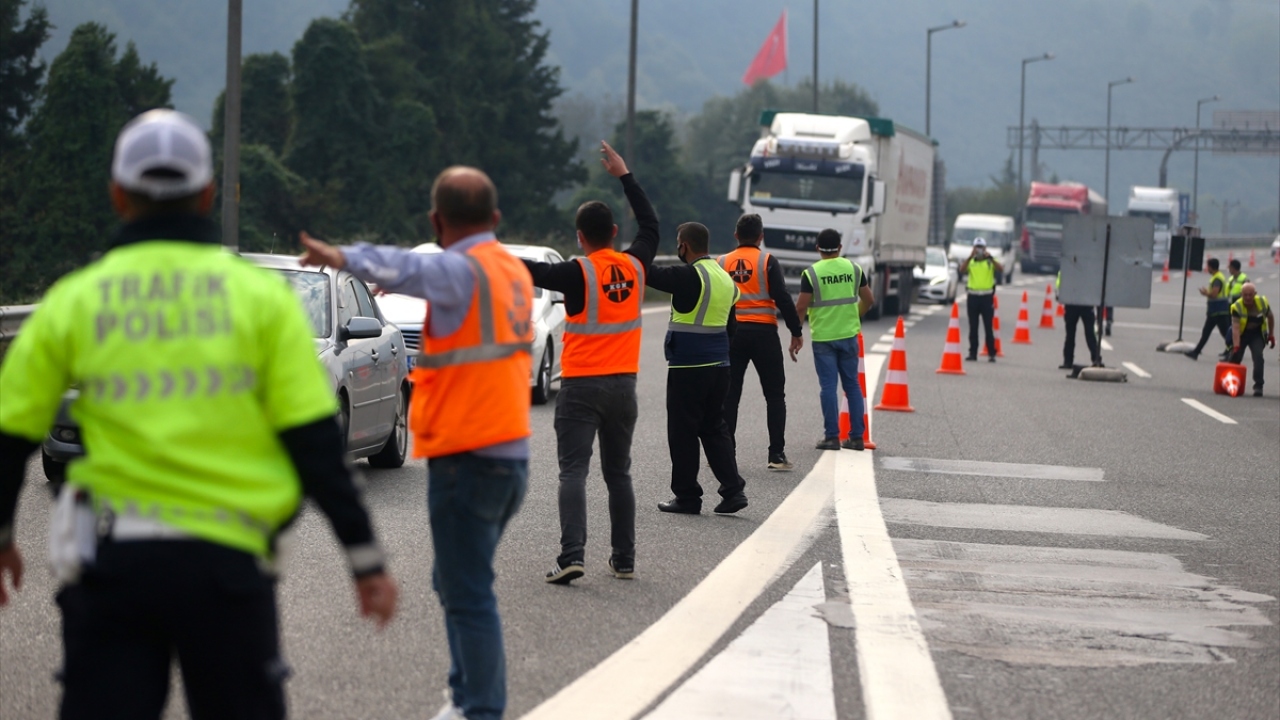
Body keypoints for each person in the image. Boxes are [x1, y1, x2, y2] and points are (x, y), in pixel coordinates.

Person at [0, 110, 397, 720]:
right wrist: (364, 558)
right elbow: (316, 442)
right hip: (227, 571)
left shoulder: (74, 300)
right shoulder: (261, 301)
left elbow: (10, 435)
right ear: (209, 193)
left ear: (117, 194)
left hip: (115, 567)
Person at [299, 166, 532, 720]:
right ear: (496, 218)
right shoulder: (511, 271)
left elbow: (409, 266)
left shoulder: (463, 270)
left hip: (468, 458)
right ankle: (466, 697)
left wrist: (341, 256)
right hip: (508, 456)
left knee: (468, 592)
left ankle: (479, 708)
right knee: (457, 583)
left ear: (436, 221)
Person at [518, 141, 657, 585]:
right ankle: (624, 559)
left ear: (580, 237)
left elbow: (527, 271)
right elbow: (651, 225)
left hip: (580, 387)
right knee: (619, 474)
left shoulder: (576, 272)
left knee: (573, 472)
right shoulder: (636, 266)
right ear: (614, 231)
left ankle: (572, 556)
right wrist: (624, 175)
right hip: (624, 387)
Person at [647, 222, 748, 515]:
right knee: (714, 427)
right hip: (720, 366)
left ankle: (687, 496)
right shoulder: (725, 279)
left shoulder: (688, 275)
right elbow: (731, 327)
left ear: (684, 245)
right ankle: (733, 491)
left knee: (683, 431)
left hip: (688, 366)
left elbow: (647, 272)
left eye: (678, 243)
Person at [718, 213, 804, 471]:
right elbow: (783, 298)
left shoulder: (721, 262)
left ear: (736, 235)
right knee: (775, 395)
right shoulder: (767, 261)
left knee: (729, 395)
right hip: (764, 333)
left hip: (732, 334)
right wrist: (796, 331)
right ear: (761, 237)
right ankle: (776, 455)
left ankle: (725, 453)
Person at [794, 229, 875, 451]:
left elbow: (801, 307)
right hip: (849, 335)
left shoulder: (811, 273)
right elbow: (869, 299)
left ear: (817, 248)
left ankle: (831, 437)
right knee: (852, 385)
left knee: (828, 387)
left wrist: (796, 333)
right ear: (840, 247)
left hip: (824, 338)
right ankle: (857, 438)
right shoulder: (854, 269)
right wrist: (855, 315)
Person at [1227, 283, 1275, 397]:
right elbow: (1236, 329)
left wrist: (1271, 335)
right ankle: (1230, 382)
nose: (1248, 297)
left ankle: (1258, 386)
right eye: (1245, 295)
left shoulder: (1262, 302)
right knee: (1235, 356)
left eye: (1250, 295)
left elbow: (1270, 318)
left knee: (1258, 357)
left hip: (1257, 334)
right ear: (1241, 294)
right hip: (1242, 334)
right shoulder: (1236, 307)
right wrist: (1236, 346)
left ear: (1255, 294)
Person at [959, 236, 1002, 362]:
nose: (979, 250)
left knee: (988, 326)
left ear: (985, 248)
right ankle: (972, 353)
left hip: (986, 297)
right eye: (977, 247)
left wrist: (991, 258)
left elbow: (1001, 269)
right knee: (973, 327)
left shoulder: (990, 261)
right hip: (973, 297)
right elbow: (961, 270)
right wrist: (969, 257)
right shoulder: (971, 261)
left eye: (981, 247)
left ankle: (991, 353)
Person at [1185, 257, 1231, 361]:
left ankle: (1234, 352)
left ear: (1211, 267)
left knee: (1223, 333)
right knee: (1208, 332)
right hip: (1216, 311)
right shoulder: (1218, 276)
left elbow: (1214, 294)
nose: (1207, 268)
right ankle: (1196, 352)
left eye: (1208, 266)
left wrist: (1205, 293)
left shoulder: (1217, 279)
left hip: (1218, 311)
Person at [1056, 272, 1101, 369]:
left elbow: (1061, 279)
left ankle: (1069, 361)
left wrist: (1060, 294)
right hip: (1082, 302)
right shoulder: (1088, 268)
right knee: (1084, 334)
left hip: (1076, 302)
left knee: (1082, 334)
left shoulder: (1070, 267)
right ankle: (1096, 359)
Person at [1221, 259, 1250, 359]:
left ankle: (1232, 352)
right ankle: (1228, 350)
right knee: (1230, 329)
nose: (1229, 269)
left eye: (1230, 267)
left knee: (1234, 330)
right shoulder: (1231, 279)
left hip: (1239, 307)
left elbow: (1248, 293)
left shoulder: (1244, 279)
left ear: (1233, 268)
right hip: (1230, 305)